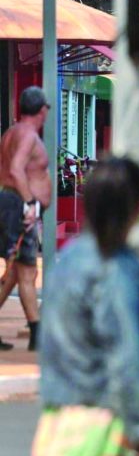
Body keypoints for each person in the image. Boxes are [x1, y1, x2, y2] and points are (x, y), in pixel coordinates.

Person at [33, 158, 139, 456]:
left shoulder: (69, 261)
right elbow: (126, 355)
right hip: (110, 432)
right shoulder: (115, 270)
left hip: (60, 427)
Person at [0, 87, 53, 351]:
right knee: (27, 270)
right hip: (20, 207)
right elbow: (15, 169)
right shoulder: (28, 136)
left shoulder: (11, 132)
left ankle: (36, 332)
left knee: (14, 273)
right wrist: (30, 204)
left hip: (11, 204)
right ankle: (37, 333)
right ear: (41, 109)